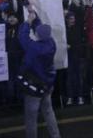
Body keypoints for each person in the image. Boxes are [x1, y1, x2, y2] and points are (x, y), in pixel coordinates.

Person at [19, 9, 61, 138]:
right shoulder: (51, 43)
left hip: (34, 87)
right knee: (48, 112)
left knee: (31, 118)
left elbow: (22, 36)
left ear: (37, 35)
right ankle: (56, 136)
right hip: (47, 85)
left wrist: (27, 21)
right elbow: (40, 29)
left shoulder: (34, 48)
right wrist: (34, 15)